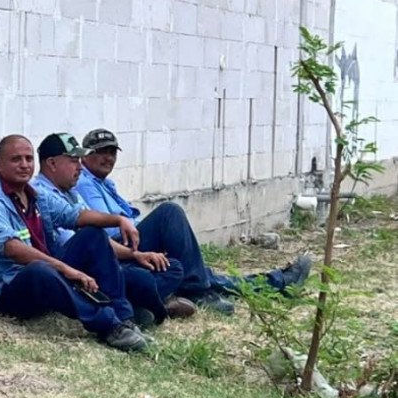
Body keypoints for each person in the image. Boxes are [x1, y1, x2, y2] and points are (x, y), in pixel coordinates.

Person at [75, 128, 312, 315]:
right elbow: (108, 229)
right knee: (170, 213)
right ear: (86, 155)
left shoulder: (104, 183)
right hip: (120, 247)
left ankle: (278, 282)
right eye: (101, 152)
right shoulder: (83, 182)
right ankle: (202, 289)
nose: (108, 158)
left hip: (130, 242)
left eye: (112, 152)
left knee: (204, 274)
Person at [0, 135, 155, 352]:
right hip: (10, 289)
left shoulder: (36, 195)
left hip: (48, 275)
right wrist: (67, 269)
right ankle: (108, 325)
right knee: (39, 269)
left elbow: (74, 215)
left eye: (29, 159)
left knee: (92, 235)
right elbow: (14, 249)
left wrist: (118, 219)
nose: (24, 165)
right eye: (16, 159)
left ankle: (124, 319)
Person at [29, 133, 196, 328]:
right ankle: (151, 308)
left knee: (172, 267)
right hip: (78, 271)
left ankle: (138, 305)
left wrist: (136, 255)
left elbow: (100, 241)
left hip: (102, 262)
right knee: (141, 278)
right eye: (74, 161)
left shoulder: (72, 192)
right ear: (52, 164)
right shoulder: (41, 194)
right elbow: (86, 240)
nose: (79, 167)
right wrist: (119, 221)